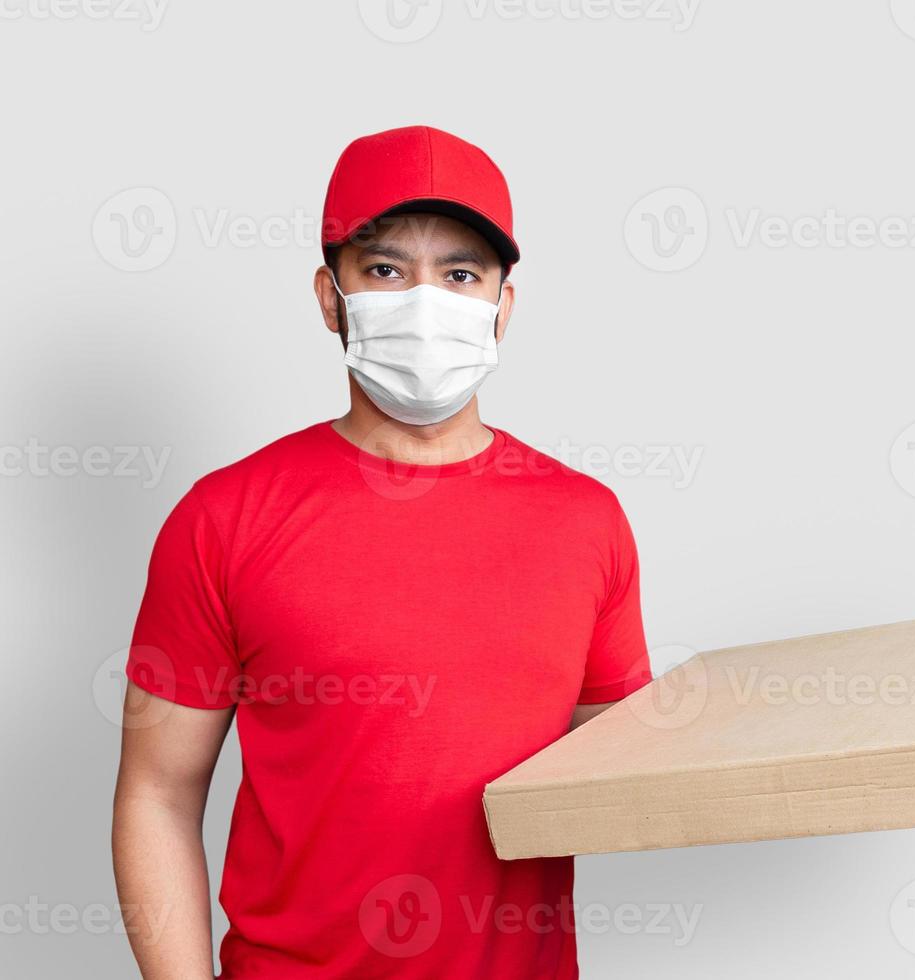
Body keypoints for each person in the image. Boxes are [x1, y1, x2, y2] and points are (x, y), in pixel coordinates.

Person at [111, 125, 652, 978]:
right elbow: (158, 794)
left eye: (462, 274)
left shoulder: (588, 521)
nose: (425, 302)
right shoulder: (224, 518)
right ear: (331, 298)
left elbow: (625, 769)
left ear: (504, 306)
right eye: (387, 270)